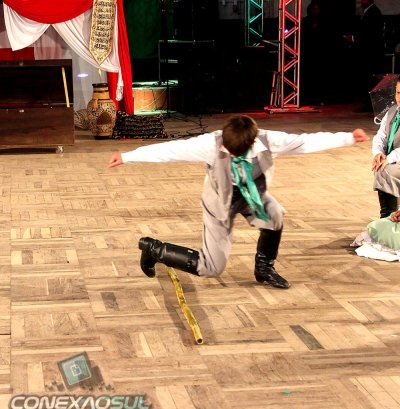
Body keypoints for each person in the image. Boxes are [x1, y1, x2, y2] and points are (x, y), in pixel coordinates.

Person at [107, 116, 369, 289]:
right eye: (227, 151)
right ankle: (155, 249)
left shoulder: (269, 140)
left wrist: (348, 137)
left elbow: (305, 142)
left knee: (274, 214)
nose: (230, 155)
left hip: (253, 195)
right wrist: (127, 156)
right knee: (211, 268)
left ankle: (264, 269)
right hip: (220, 201)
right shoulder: (210, 143)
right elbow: (170, 150)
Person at [344, 0, 385, 111]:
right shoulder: (369, 12)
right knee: (367, 78)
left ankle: (369, 104)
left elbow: (369, 34)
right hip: (368, 51)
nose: (361, 1)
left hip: (371, 52)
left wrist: (353, 38)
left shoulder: (373, 12)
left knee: (370, 78)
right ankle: (368, 103)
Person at [372, 75, 400, 218]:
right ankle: (387, 215)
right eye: (398, 92)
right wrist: (378, 153)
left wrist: (389, 158)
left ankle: (389, 215)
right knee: (381, 168)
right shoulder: (392, 111)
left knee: (385, 170)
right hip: (393, 159)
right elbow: (381, 136)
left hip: (397, 158)